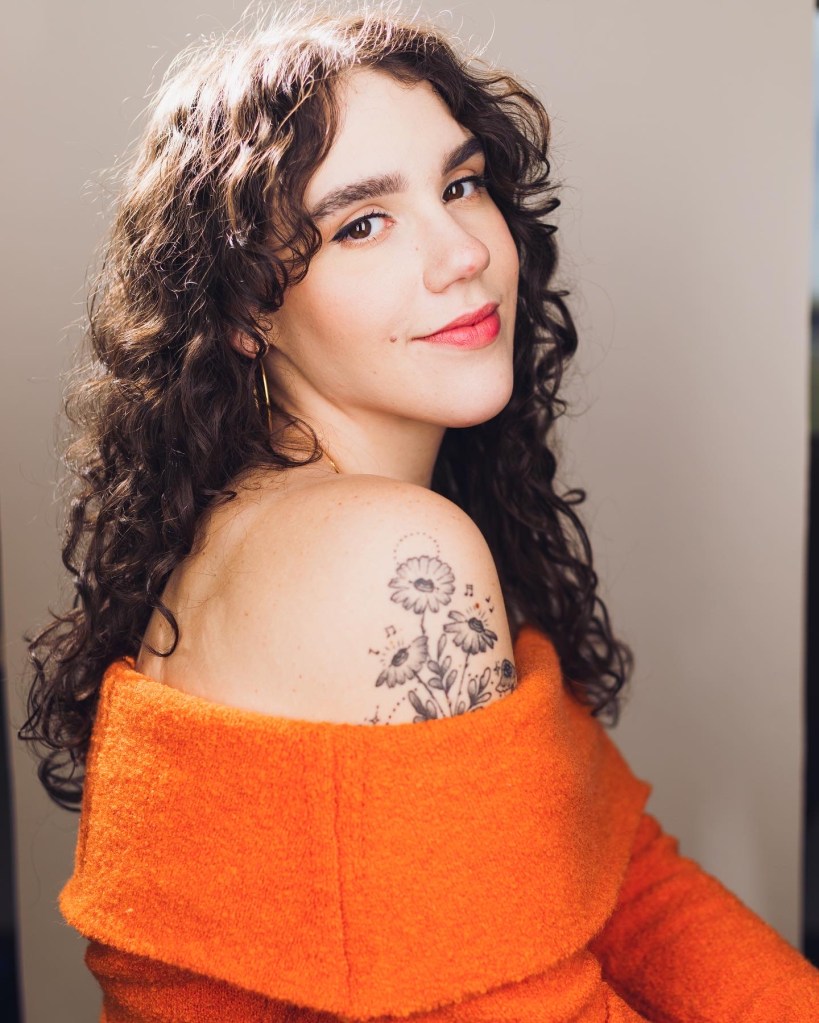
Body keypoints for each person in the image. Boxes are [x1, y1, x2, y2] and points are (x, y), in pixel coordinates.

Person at [19, 3, 819, 1021]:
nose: (460, 253)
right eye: (362, 223)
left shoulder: (286, 515)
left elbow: (623, 876)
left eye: (460, 184)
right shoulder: (382, 554)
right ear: (246, 311)